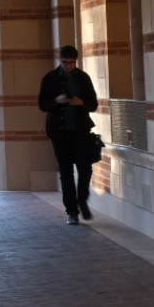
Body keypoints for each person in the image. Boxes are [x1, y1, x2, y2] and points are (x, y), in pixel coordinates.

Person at [39, 45, 100, 225]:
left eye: (71, 63)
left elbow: (93, 104)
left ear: (76, 61)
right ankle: (72, 211)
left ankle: (82, 200)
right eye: (65, 63)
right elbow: (42, 104)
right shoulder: (50, 78)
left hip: (80, 130)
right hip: (59, 132)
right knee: (65, 172)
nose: (68, 66)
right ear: (60, 60)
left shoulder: (83, 78)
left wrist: (81, 102)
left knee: (85, 168)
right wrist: (56, 101)